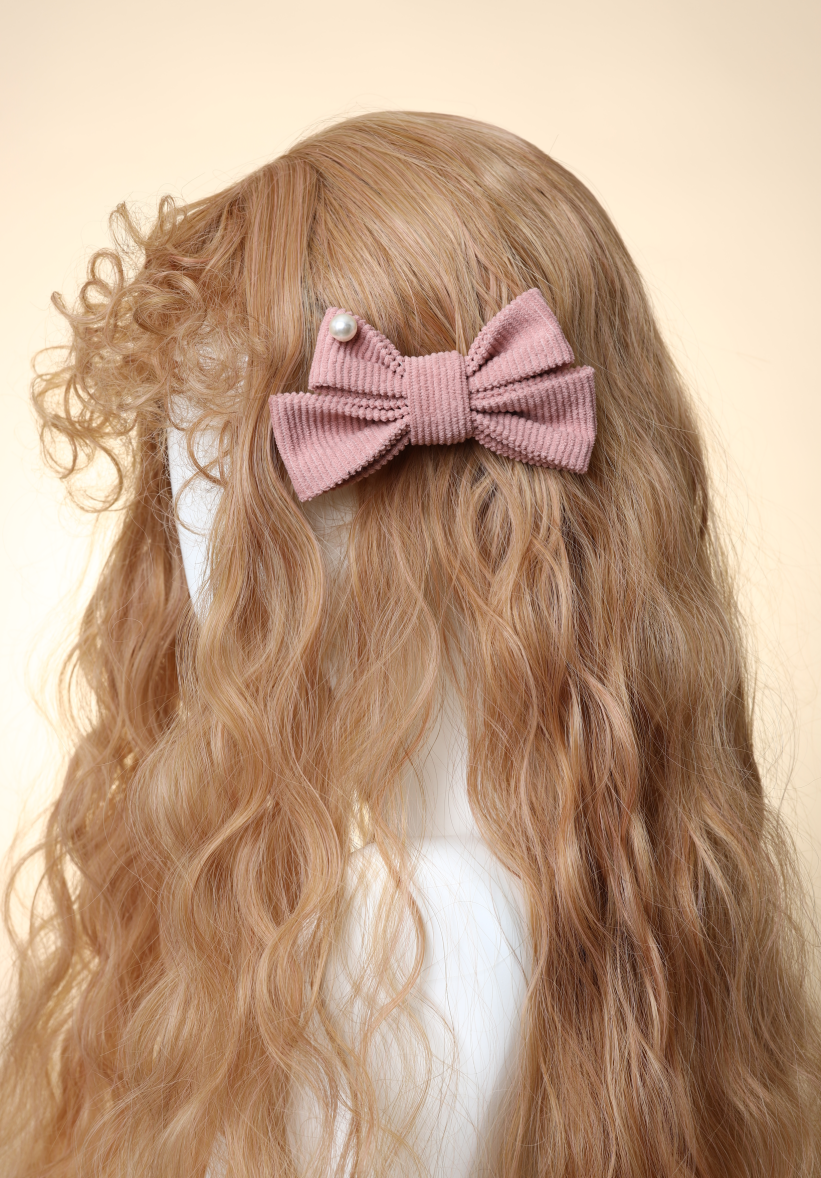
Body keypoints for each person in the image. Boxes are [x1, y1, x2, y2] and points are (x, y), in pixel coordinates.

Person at [2, 111, 820, 1178]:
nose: (191, 538)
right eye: (182, 465)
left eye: (222, 470)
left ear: (424, 519)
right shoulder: (635, 928)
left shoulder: (371, 948)